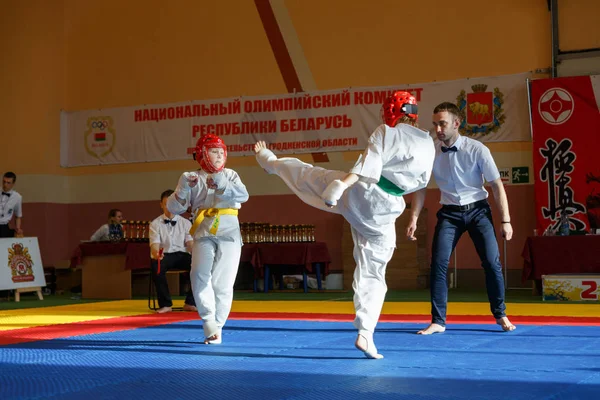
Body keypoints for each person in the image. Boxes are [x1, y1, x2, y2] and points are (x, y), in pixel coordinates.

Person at [254, 91, 435, 359]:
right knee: (373, 273)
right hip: (385, 212)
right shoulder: (428, 143)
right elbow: (421, 186)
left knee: (308, 175)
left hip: (360, 192)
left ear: (390, 112)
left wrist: (340, 186)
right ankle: (366, 333)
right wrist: (414, 216)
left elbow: (367, 166)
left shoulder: (385, 131)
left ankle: (269, 161)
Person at [406, 101, 516, 335]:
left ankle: (500, 314)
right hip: (449, 213)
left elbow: (496, 185)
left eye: (443, 124)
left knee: (491, 263)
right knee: (438, 264)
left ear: (457, 123)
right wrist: (413, 218)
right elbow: (421, 187)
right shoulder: (431, 151)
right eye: (435, 124)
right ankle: (438, 321)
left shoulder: (478, 149)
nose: (438, 130)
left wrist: (505, 220)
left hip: (478, 211)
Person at [167, 134, 249, 344]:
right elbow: (173, 209)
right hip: (203, 230)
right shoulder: (190, 177)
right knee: (199, 274)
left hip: (229, 231)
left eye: (222, 151)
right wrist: (184, 188)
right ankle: (208, 320)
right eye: (214, 150)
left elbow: (243, 196)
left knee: (223, 281)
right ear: (202, 154)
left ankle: (217, 326)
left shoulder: (230, 174)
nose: (220, 154)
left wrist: (221, 183)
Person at [149, 189, 197, 313]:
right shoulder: (155, 224)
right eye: (166, 204)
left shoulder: (186, 223)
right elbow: (154, 244)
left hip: (182, 254)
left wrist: (197, 255)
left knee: (199, 266)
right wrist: (156, 254)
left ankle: (190, 302)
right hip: (165, 255)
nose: (169, 207)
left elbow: (190, 243)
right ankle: (165, 304)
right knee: (157, 266)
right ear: (161, 205)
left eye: (172, 204)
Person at [0, 172, 23, 238]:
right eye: (4, 181)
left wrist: (18, 228)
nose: (5, 184)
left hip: (4, 227)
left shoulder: (17, 197)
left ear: (13, 184)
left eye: (8, 182)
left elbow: (18, 216)